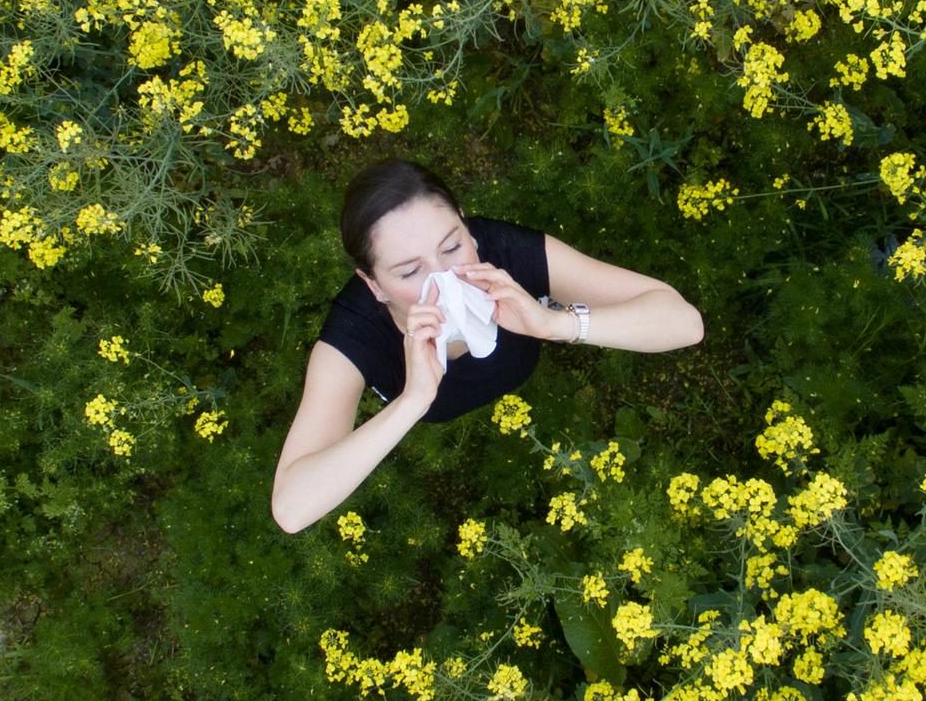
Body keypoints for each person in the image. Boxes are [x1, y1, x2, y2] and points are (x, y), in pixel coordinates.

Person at [272, 158, 704, 534]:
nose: (446, 278)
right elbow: (292, 508)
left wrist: (556, 323)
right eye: (409, 272)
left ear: (467, 226)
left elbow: (683, 323)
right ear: (373, 285)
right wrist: (413, 401)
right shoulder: (355, 333)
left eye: (452, 246)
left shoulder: (505, 254)